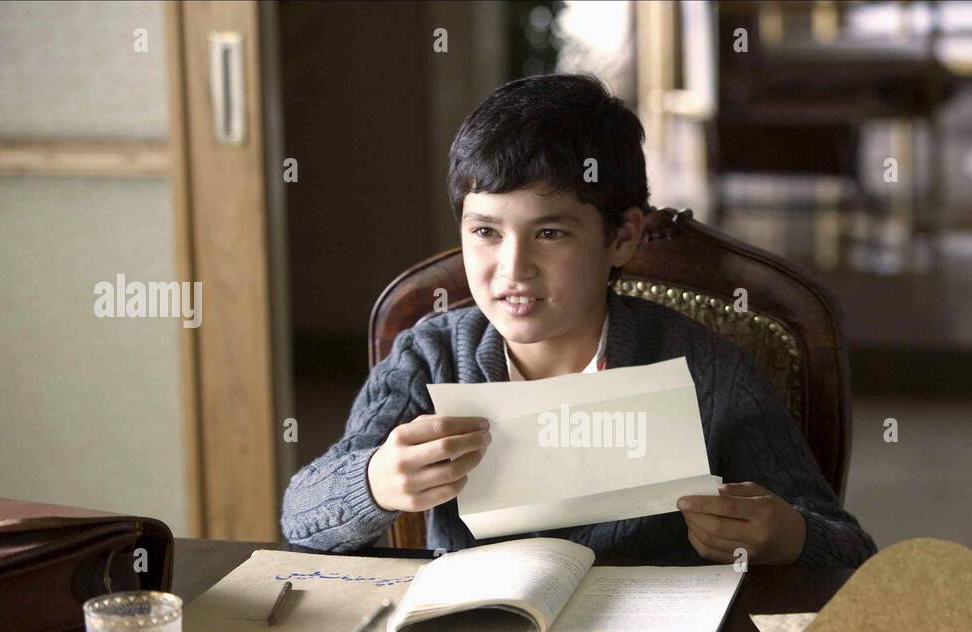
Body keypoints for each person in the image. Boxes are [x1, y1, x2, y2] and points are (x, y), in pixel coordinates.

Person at [281, 73, 876, 568]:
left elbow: (852, 553)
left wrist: (784, 535)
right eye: (485, 232)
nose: (513, 268)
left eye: (550, 233)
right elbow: (300, 519)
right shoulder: (429, 357)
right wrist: (375, 483)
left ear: (622, 237)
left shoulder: (710, 371)